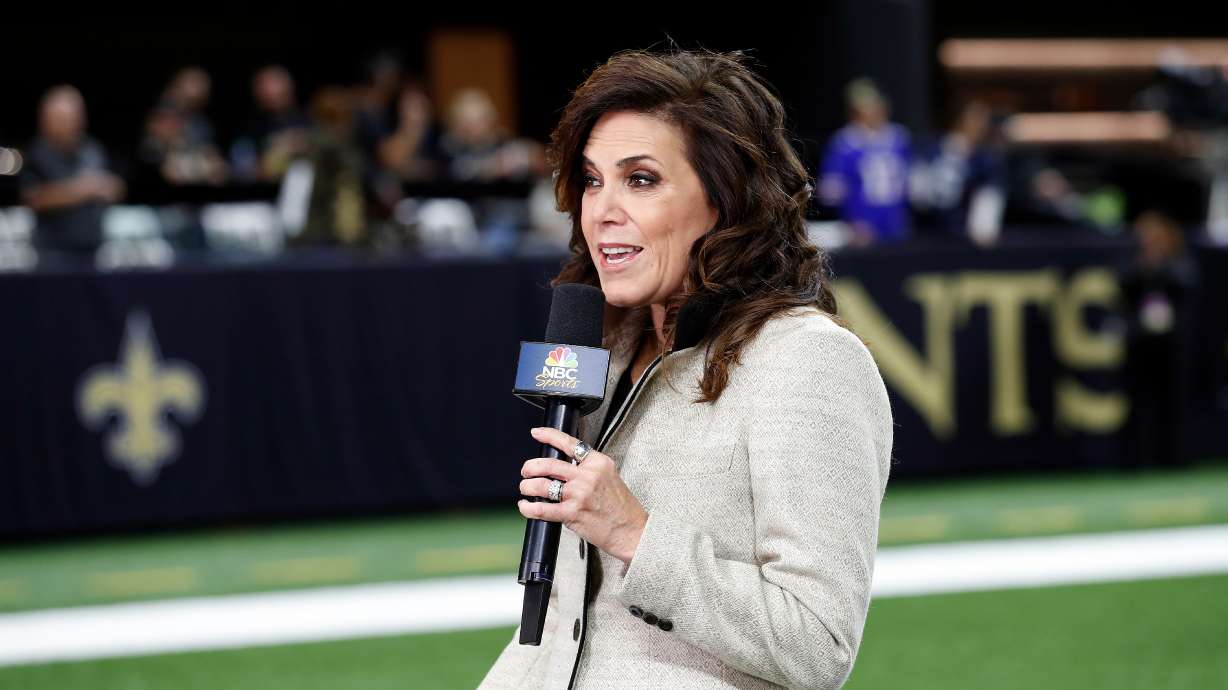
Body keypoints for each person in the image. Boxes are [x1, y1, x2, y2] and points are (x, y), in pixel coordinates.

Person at [479, 48, 894, 689]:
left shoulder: (809, 362)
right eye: (591, 180)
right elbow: (564, 630)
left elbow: (819, 647)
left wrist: (637, 535)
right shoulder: (609, 350)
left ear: (726, 198)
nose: (602, 210)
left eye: (640, 179)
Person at [20, 85, 125, 259]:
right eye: (60, 118)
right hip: (53, 253)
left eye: (73, 116)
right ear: (45, 119)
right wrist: (83, 189)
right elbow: (33, 198)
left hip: (93, 249)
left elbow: (113, 187)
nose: (69, 122)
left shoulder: (93, 149)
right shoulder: (36, 153)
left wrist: (112, 187)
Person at [818, 78, 911, 246]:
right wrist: (852, 221)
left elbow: (909, 183)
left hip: (897, 222)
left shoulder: (899, 137)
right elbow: (831, 192)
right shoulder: (845, 142)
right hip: (862, 226)